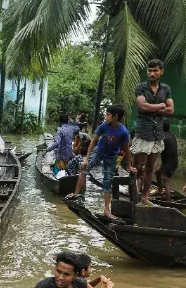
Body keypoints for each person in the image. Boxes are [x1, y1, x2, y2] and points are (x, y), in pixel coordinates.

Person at [67, 105, 134, 220]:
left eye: (108, 114)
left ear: (115, 117)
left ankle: (107, 210)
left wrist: (129, 165)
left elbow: (126, 150)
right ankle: (76, 194)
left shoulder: (123, 132)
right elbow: (93, 141)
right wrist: (86, 158)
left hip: (112, 156)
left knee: (107, 181)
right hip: (99, 151)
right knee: (84, 168)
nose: (105, 116)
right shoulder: (104, 126)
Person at [132, 59, 174, 205]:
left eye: (155, 70)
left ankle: (144, 197)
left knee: (150, 167)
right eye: (149, 70)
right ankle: (134, 193)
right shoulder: (141, 87)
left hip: (157, 133)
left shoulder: (166, 89)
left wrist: (153, 106)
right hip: (143, 131)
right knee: (138, 166)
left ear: (161, 71)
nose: (152, 73)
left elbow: (171, 110)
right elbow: (142, 107)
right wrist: (161, 105)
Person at [155, 120, 178, 203]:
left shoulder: (164, 138)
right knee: (157, 173)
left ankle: (168, 201)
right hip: (168, 162)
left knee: (165, 180)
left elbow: (157, 151)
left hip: (170, 163)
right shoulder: (172, 135)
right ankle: (160, 190)